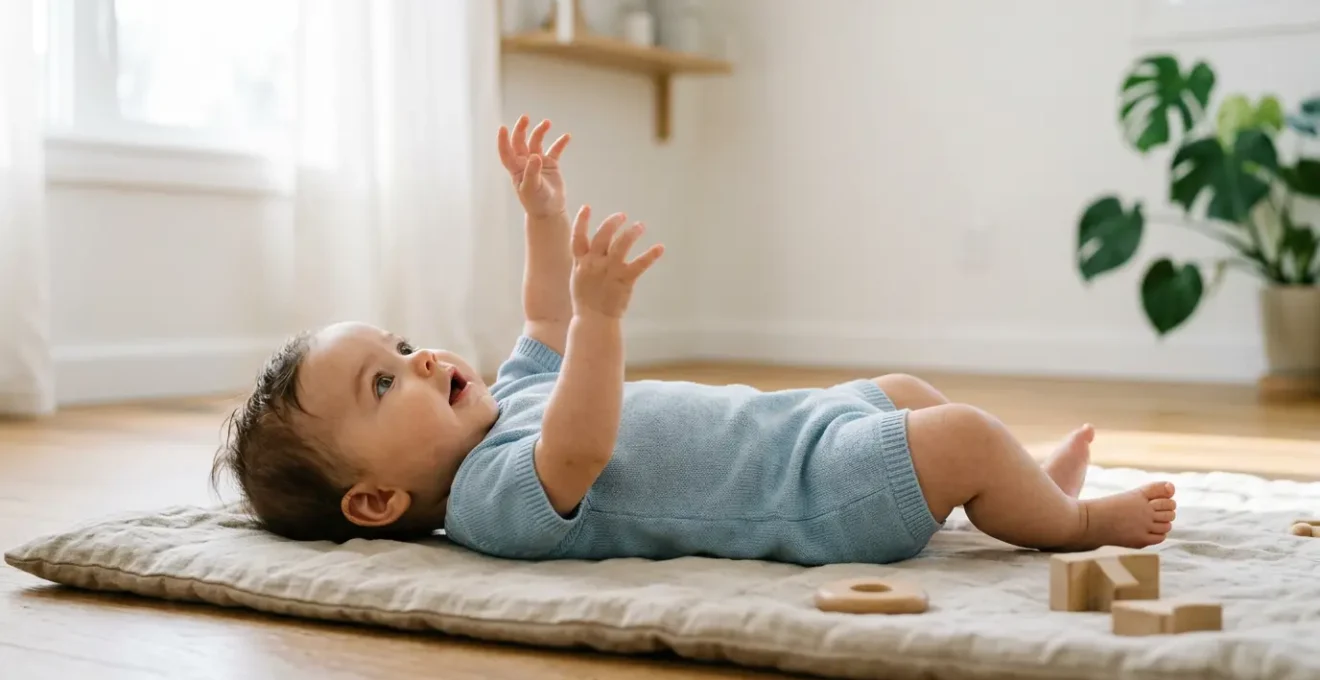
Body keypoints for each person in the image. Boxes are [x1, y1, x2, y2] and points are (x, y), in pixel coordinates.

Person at [212, 115, 1177, 565]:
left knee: (911, 390)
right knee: (960, 433)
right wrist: (607, 319)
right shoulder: (488, 500)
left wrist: (542, 216)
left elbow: (542, 315)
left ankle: (1029, 494)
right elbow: (582, 445)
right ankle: (1074, 527)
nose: (422, 360)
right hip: (810, 501)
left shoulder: (512, 400)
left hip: (798, 428)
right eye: (385, 385)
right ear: (377, 500)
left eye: (404, 344)